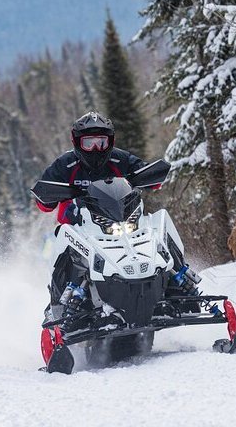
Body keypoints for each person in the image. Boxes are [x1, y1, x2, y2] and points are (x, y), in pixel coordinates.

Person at [34, 112, 147, 325]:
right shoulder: (65, 165)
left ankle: (179, 282)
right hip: (78, 228)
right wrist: (49, 197)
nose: (96, 149)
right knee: (63, 241)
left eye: (101, 142)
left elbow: (143, 171)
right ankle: (63, 305)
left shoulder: (119, 159)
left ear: (110, 141)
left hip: (121, 223)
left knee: (157, 223)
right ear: (77, 142)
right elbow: (43, 202)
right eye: (89, 143)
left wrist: (149, 175)